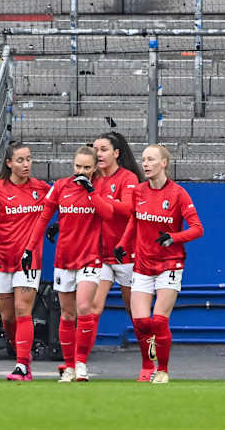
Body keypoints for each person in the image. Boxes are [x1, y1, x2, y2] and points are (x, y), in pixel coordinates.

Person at [24, 146, 114, 382]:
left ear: (95, 168)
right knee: (67, 313)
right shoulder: (61, 186)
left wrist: (92, 192)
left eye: (86, 167)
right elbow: (44, 218)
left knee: (84, 307)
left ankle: (82, 363)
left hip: (90, 256)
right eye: (78, 167)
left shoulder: (101, 187)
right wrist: (29, 249)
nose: (81, 171)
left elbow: (108, 214)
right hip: (65, 258)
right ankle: (70, 366)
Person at [115, 145, 203, 384]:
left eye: (151, 159)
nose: (145, 164)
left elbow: (197, 229)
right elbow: (134, 220)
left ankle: (162, 370)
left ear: (164, 163)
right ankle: (146, 366)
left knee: (158, 321)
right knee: (141, 322)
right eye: (143, 159)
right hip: (142, 264)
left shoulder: (178, 194)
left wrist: (173, 237)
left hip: (170, 264)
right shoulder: (139, 191)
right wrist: (123, 244)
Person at [0, 141, 51, 381]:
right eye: (20, 160)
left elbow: (64, 203)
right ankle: (20, 350)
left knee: (23, 310)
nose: (26, 164)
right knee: (8, 317)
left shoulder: (41, 189)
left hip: (28, 261)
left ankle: (22, 365)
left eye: (29, 159)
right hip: (2, 259)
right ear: (9, 163)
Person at [84, 131, 149, 379]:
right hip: (100, 256)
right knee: (91, 307)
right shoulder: (93, 178)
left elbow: (127, 209)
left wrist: (101, 200)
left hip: (127, 255)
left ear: (116, 153)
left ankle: (149, 365)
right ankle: (80, 364)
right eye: (96, 149)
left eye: (103, 149)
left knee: (137, 314)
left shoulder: (128, 178)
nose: (98, 154)